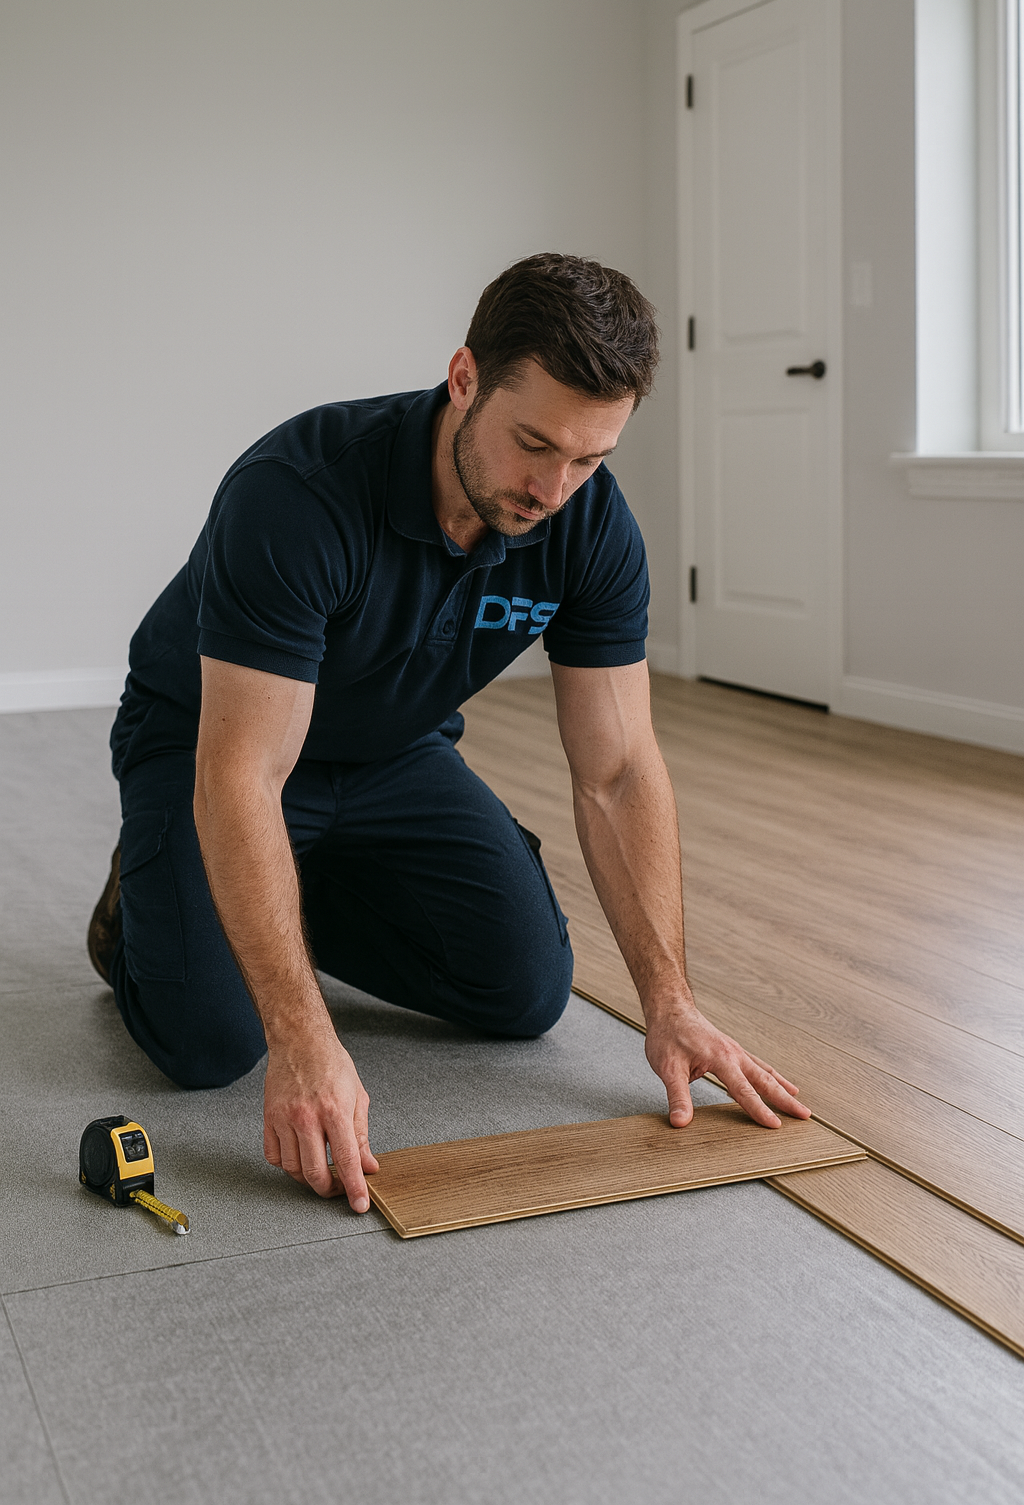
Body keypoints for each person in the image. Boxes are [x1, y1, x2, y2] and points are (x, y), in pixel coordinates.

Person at [88, 253, 810, 1213]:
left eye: (591, 458)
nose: (554, 489)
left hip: (393, 751)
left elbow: (621, 772)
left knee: (524, 991)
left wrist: (670, 1003)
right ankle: (144, 903)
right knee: (211, 1043)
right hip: (215, 748)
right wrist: (304, 1039)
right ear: (463, 378)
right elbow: (241, 778)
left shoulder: (588, 524)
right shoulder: (297, 494)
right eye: (535, 444)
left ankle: (271, 892)